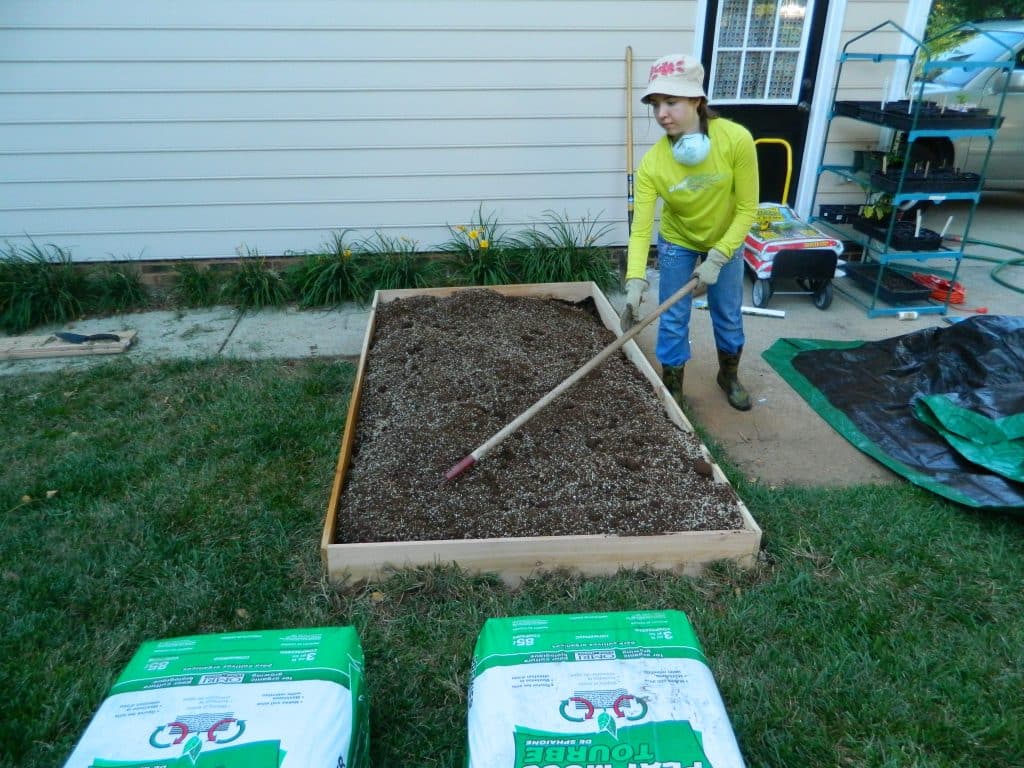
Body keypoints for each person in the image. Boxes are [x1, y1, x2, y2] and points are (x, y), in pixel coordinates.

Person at [619, 53, 758, 411]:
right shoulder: (653, 163)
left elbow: (747, 209)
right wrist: (634, 281)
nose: (661, 113)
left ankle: (728, 374)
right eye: (655, 104)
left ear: (697, 100)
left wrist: (720, 255)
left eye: (671, 101)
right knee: (674, 314)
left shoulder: (736, 140)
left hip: (726, 240)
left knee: (726, 312)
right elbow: (640, 229)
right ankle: (674, 385)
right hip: (678, 242)